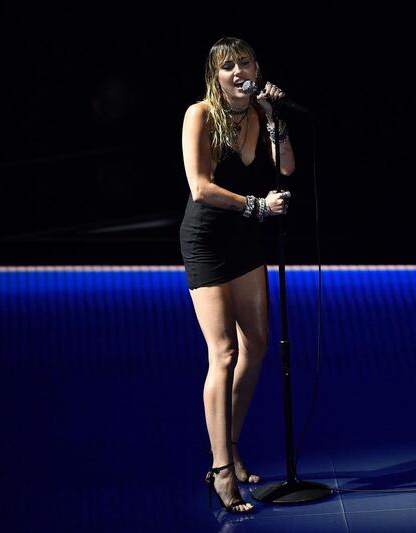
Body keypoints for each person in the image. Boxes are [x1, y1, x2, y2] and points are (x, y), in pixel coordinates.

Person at [179, 37, 295, 514]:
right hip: (207, 240)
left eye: (244, 62)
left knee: (258, 343)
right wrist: (256, 206)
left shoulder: (259, 115)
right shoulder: (200, 114)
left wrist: (275, 118)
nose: (238, 71)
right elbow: (201, 187)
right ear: (217, 75)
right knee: (223, 352)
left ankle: (230, 444)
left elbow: (285, 167)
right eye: (229, 66)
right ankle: (222, 469)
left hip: (247, 239)